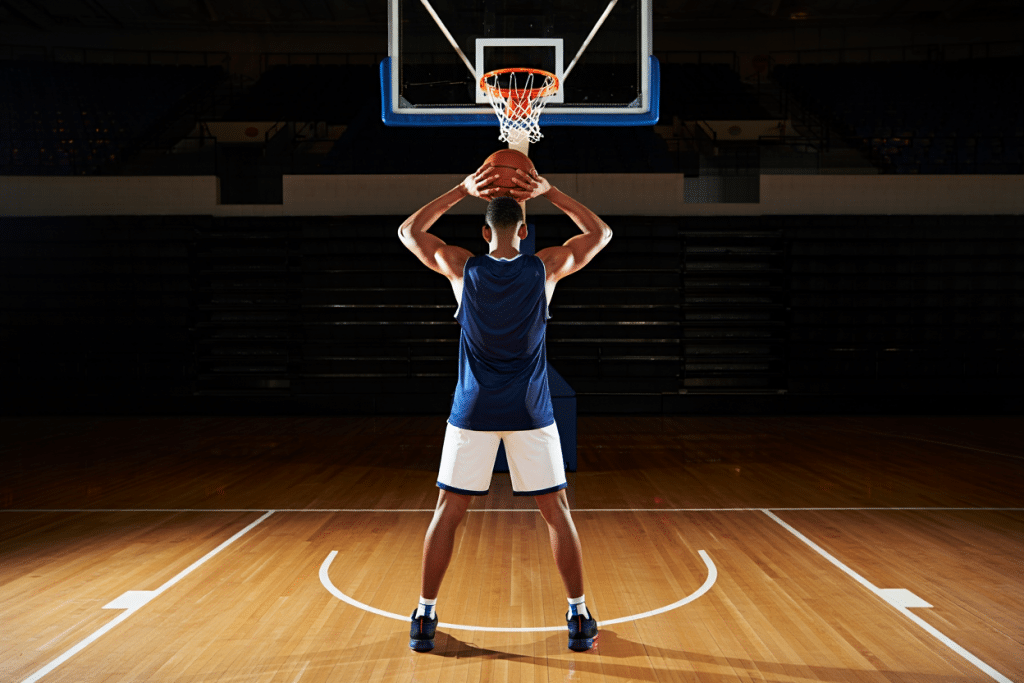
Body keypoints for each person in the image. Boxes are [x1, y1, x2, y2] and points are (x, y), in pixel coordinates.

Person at [397, 160, 612, 653]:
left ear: (483, 229)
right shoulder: (546, 269)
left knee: (448, 512)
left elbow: (409, 231)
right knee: (556, 512)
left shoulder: (460, 267)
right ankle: (578, 617)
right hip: (531, 411)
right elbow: (600, 233)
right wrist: (551, 189)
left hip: (471, 411)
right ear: (526, 230)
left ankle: (424, 617)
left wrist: (460, 188)